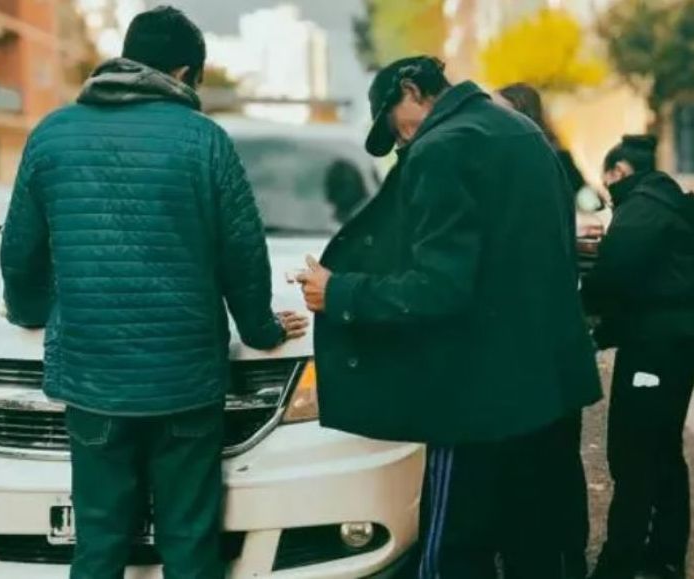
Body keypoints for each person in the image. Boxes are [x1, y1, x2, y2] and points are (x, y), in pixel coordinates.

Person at [0, 7, 307, 579]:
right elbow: (243, 256)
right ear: (185, 72)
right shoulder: (205, 140)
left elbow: (19, 252)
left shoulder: (52, 135)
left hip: (93, 379)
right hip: (185, 383)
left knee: (98, 543)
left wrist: (30, 311)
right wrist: (262, 329)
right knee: (189, 541)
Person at [296, 55, 602, 579]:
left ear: (412, 90)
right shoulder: (523, 132)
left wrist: (339, 291)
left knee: (453, 551)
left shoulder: (442, 147)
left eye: (395, 125)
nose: (402, 141)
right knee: (535, 546)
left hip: (476, 393)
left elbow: (439, 287)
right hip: (547, 387)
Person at [584, 135, 694, 579]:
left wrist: (588, 309)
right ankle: (666, 556)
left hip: (653, 351)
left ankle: (619, 562)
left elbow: (614, 277)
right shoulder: (667, 201)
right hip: (675, 346)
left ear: (618, 172)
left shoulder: (641, 207)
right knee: (664, 449)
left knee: (631, 453)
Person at [495, 81, 592, 579]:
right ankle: (568, 556)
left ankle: (546, 557)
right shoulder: (558, 159)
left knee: (538, 458)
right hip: (562, 330)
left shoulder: (524, 164)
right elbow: (589, 200)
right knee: (561, 457)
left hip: (537, 336)